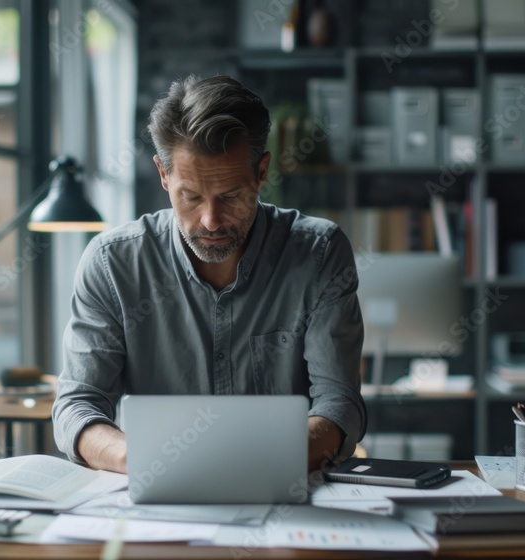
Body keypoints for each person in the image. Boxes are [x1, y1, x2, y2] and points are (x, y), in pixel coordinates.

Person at [52, 74, 365, 475]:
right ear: (163, 175)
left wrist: (239, 464)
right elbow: (77, 404)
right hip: (154, 486)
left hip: (281, 494)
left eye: (232, 195)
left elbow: (339, 406)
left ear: (261, 172)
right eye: (191, 196)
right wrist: (137, 458)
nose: (211, 220)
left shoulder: (319, 254)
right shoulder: (112, 264)